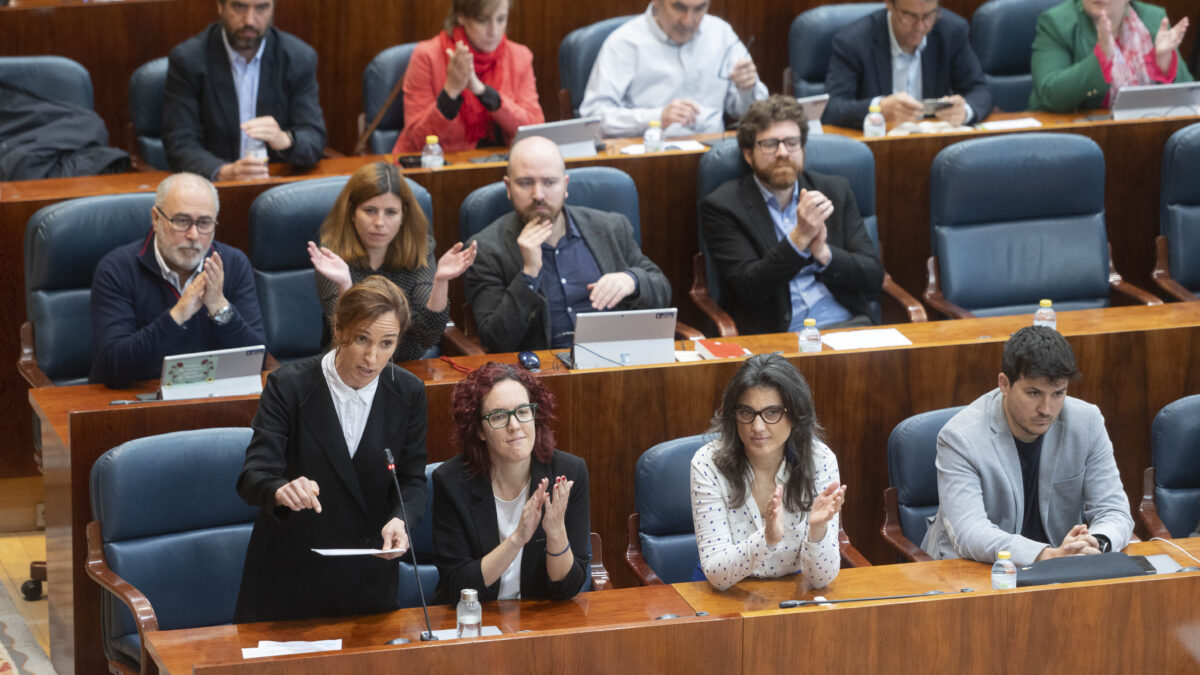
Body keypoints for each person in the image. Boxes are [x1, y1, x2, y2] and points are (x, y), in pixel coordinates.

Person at [234, 276, 428, 622]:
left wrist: (402, 519)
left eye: (387, 343)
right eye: (362, 339)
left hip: (368, 582)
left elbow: (412, 480)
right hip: (290, 580)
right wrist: (282, 489)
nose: (372, 357)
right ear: (339, 329)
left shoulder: (408, 393)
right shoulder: (289, 386)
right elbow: (253, 478)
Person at [922, 326, 1134, 566]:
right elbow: (971, 532)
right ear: (1004, 384)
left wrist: (1096, 543)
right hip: (974, 568)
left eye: (1058, 393)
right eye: (1034, 393)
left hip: (1061, 564)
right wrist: (1046, 555)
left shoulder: (1087, 422)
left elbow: (1114, 510)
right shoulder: (960, 437)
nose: (1046, 409)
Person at [464, 136, 672, 352]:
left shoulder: (611, 227)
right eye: (526, 183)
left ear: (565, 186)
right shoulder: (486, 249)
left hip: (615, 362)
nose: (538, 195)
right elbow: (495, 340)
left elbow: (662, 291)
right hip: (539, 374)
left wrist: (632, 280)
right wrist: (528, 275)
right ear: (508, 187)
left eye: (549, 182)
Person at [701, 96, 884, 335]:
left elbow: (873, 276)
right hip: (779, 336)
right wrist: (799, 237)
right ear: (748, 154)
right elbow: (748, 288)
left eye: (791, 142)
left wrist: (824, 254)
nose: (783, 152)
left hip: (848, 327)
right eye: (769, 144)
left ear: (803, 148)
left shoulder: (835, 191)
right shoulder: (723, 206)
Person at [432, 362, 589, 603]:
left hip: (538, 621)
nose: (514, 426)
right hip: (476, 618)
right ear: (480, 431)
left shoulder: (568, 473)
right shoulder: (452, 482)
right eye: (498, 416)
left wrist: (556, 532)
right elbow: (456, 586)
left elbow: (568, 587)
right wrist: (517, 539)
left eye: (523, 411)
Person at [90, 173, 265, 388]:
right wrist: (177, 316)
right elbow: (113, 366)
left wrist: (219, 308)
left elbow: (257, 361)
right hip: (136, 404)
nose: (193, 235)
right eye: (182, 221)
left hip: (212, 400)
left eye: (204, 223)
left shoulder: (233, 264)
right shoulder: (116, 269)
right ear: (156, 219)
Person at [691, 354, 846, 591]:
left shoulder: (819, 460)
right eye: (746, 412)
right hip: (724, 593)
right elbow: (717, 574)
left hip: (790, 590)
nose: (757, 427)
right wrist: (767, 540)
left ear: (794, 415)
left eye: (772, 413)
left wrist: (817, 530)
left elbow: (820, 579)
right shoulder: (708, 463)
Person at [307, 162, 477, 362]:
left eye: (390, 212)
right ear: (352, 212)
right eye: (370, 210)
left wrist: (440, 281)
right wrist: (346, 285)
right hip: (349, 367)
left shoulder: (420, 247)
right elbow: (350, 337)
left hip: (409, 367)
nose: (379, 222)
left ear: (403, 214)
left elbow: (428, 336)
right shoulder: (332, 256)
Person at [163, 0, 327, 181]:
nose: (249, 20)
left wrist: (285, 140)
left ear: (273, 8)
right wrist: (223, 172)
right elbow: (180, 143)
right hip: (213, 189)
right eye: (239, 7)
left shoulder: (298, 57)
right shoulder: (189, 60)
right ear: (220, 6)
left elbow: (314, 138)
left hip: (277, 185)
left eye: (261, 7)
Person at [579, 0, 768, 138]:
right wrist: (656, 118)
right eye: (679, 7)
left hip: (714, 153)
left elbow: (754, 114)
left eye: (699, 9)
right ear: (658, 3)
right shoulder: (624, 43)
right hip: (646, 155)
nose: (688, 20)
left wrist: (747, 88)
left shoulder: (721, 34)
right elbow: (593, 118)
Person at [393, 0, 544, 153]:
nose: (494, 31)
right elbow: (417, 140)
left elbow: (535, 131)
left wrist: (484, 92)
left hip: (503, 167)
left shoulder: (520, 56)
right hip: (442, 167)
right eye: (482, 20)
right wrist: (450, 92)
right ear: (461, 16)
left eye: (501, 19)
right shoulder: (427, 56)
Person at [824, 0, 993, 129]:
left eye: (928, 15)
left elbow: (980, 91)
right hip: (879, 146)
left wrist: (964, 111)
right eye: (910, 16)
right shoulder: (854, 41)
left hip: (935, 142)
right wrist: (878, 109)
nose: (920, 27)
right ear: (889, 5)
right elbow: (832, 108)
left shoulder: (951, 32)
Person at [1029, 0, 1192, 112]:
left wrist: (1164, 63)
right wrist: (1100, 60)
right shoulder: (1057, 23)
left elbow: (1190, 99)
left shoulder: (1153, 19)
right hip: (1069, 140)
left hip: (1142, 135)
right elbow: (1051, 95)